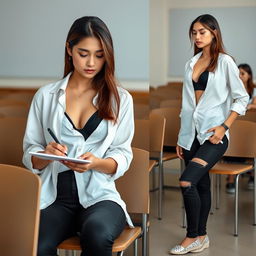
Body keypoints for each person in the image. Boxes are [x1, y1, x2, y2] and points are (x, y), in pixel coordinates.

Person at [23, 16, 134, 256]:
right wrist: (45, 154)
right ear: (69, 49)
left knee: (98, 234)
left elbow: (123, 152)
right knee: (36, 245)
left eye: (100, 55)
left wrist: (97, 163)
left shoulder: (121, 99)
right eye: (83, 53)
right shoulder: (45, 96)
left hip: (100, 194)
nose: (91, 62)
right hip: (56, 197)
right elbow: (30, 151)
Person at [169, 14, 249, 255]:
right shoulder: (191, 63)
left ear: (214, 33)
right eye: (194, 32)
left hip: (214, 136)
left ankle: (192, 236)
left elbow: (242, 98)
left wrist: (224, 127)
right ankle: (202, 237)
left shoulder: (225, 62)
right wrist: (181, 138)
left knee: (186, 181)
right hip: (190, 135)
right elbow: (186, 105)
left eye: (202, 31)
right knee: (201, 185)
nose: (197, 36)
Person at [226, 63, 255, 193]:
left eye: (243, 73)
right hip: (235, 125)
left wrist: (250, 107)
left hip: (249, 127)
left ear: (249, 76)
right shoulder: (232, 89)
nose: (240, 76)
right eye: (238, 73)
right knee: (232, 143)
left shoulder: (254, 90)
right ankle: (231, 179)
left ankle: (252, 177)